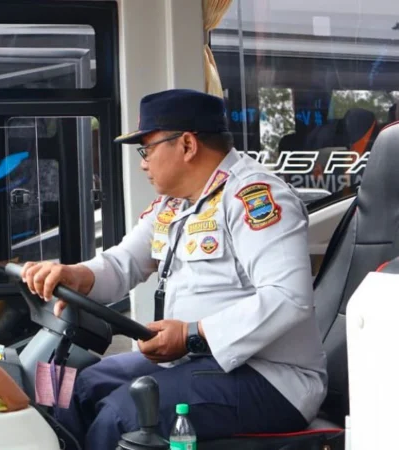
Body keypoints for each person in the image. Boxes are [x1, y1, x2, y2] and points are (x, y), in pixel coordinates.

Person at [22, 89, 328, 449]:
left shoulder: (254, 197)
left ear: (186, 145)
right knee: (77, 388)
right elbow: (124, 263)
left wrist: (191, 333)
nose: (143, 163)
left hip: (273, 378)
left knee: (123, 413)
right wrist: (76, 274)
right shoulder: (174, 206)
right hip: (196, 362)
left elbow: (288, 298)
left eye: (147, 149)